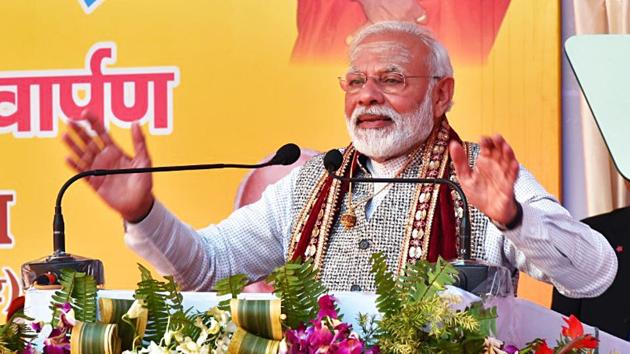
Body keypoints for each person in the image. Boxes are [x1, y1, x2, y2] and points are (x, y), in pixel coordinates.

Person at [63, 21, 616, 297]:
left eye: (391, 79)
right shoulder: (312, 184)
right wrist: (143, 213)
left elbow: (595, 274)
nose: (367, 96)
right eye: (355, 81)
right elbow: (206, 268)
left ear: (442, 94)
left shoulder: (475, 179)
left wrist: (513, 219)